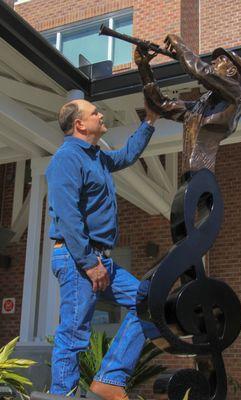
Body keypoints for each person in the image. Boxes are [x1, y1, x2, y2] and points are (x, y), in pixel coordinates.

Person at [45, 95, 158, 399]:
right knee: (73, 333)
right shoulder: (67, 159)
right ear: (79, 124)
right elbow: (68, 217)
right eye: (95, 112)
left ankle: (110, 378)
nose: (101, 115)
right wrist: (89, 262)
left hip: (99, 259)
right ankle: (62, 394)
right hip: (77, 258)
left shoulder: (97, 157)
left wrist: (149, 120)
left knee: (150, 304)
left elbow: (128, 155)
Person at [135, 35, 241, 175]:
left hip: (203, 175)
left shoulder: (235, 93)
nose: (213, 61)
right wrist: (143, 67)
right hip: (189, 176)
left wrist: (180, 46)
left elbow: (202, 72)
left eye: (220, 60)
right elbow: (161, 105)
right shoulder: (201, 107)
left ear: (231, 71)